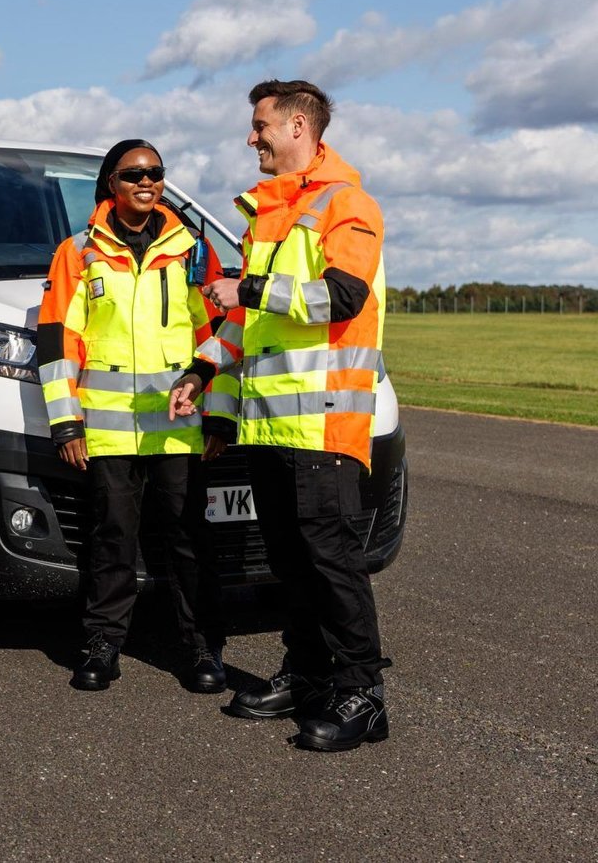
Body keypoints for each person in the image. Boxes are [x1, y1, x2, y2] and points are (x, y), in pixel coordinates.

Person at [170, 79, 391, 752]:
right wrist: (205, 366)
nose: (251, 138)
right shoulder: (267, 215)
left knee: (331, 562)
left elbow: (344, 297)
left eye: (260, 125)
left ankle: (363, 694)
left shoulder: (347, 204)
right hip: (269, 424)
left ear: (299, 125)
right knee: (291, 563)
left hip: (324, 422)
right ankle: (308, 673)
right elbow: (248, 319)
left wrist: (253, 286)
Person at [37, 139, 235, 694]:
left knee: (190, 539)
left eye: (156, 173)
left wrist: (219, 417)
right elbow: (57, 342)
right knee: (112, 539)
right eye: (133, 174)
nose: (147, 182)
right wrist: (66, 421)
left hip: (180, 427)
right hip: (107, 426)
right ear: (111, 184)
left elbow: (220, 338)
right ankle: (102, 645)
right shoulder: (76, 252)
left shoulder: (193, 250)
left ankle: (202, 649)